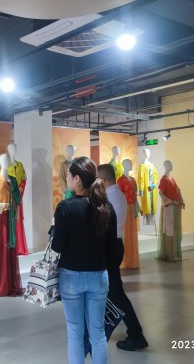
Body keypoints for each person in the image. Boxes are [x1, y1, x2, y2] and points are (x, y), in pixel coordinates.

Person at [52, 156, 116, 364]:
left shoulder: (65, 208)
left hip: (71, 277)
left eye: (69, 176)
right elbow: (113, 248)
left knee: (75, 333)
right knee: (98, 333)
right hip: (99, 276)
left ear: (77, 179)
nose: (67, 179)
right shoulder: (107, 208)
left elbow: (57, 246)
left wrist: (55, 228)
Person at [98, 164, 148, 351]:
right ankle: (106, 328)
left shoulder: (109, 197)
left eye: (97, 179)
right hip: (115, 245)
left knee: (116, 293)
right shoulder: (116, 194)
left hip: (111, 246)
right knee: (110, 291)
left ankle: (136, 334)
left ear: (103, 180)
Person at [0, 154, 23, 297]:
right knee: (2, 247)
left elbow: (18, 199)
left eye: (8, 160)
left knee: (11, 248)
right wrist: (1, 205)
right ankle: (2, 283)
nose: (6, 162)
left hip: (11, 219)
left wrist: (16, 213)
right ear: (0, 162)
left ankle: (11, 283)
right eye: (4, 160)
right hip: (1, 219)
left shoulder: (13, 180)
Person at [156, 160, 185, 262]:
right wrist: (170, 202)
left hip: (175, 207)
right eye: (170, 164)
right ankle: (168, 254)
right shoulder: (163, 179)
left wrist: (182, 201)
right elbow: (161, 193)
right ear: (166, 166)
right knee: (169, 230)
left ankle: (174, 253)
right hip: (168, 208)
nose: (172, 166)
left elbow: (178, 190)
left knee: (174, 229)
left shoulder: (172, 179)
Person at [117, 159, 142, 269]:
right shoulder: (120, 180)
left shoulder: (133, 180)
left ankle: (133, 260)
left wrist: (139, 208)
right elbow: (119, 197)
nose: (131, 165)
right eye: (129, 164)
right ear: (124, 165)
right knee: (126, 234)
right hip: (125, 209)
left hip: (133, 209)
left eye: (131, 163)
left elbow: (135, 196)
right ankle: (125, 260)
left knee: (133, 234)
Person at [7, 142, 29, 256]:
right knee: (11, 219)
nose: (13, 150)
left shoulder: (20, 165)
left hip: (18, 196)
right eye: (11, 148)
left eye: (15, 148)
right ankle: (11, 246)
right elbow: (5, 180)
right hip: (10, 196)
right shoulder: (6, 165)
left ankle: (20, 247)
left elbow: (24, 179)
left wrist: (20, 189)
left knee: (18, 219)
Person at [138, 149, 158, 226]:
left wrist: (153, 185)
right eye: (146, 152)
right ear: (143, 154)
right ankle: (147, 225)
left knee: (152, 206)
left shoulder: (151, 165)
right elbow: (140, 179)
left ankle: (152, 224)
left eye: (148, 152)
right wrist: (141, 191)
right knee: (146, 206)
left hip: (152, 189)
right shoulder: (142, 166)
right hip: (146, 190)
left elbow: (156, 176)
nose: (148, 154)